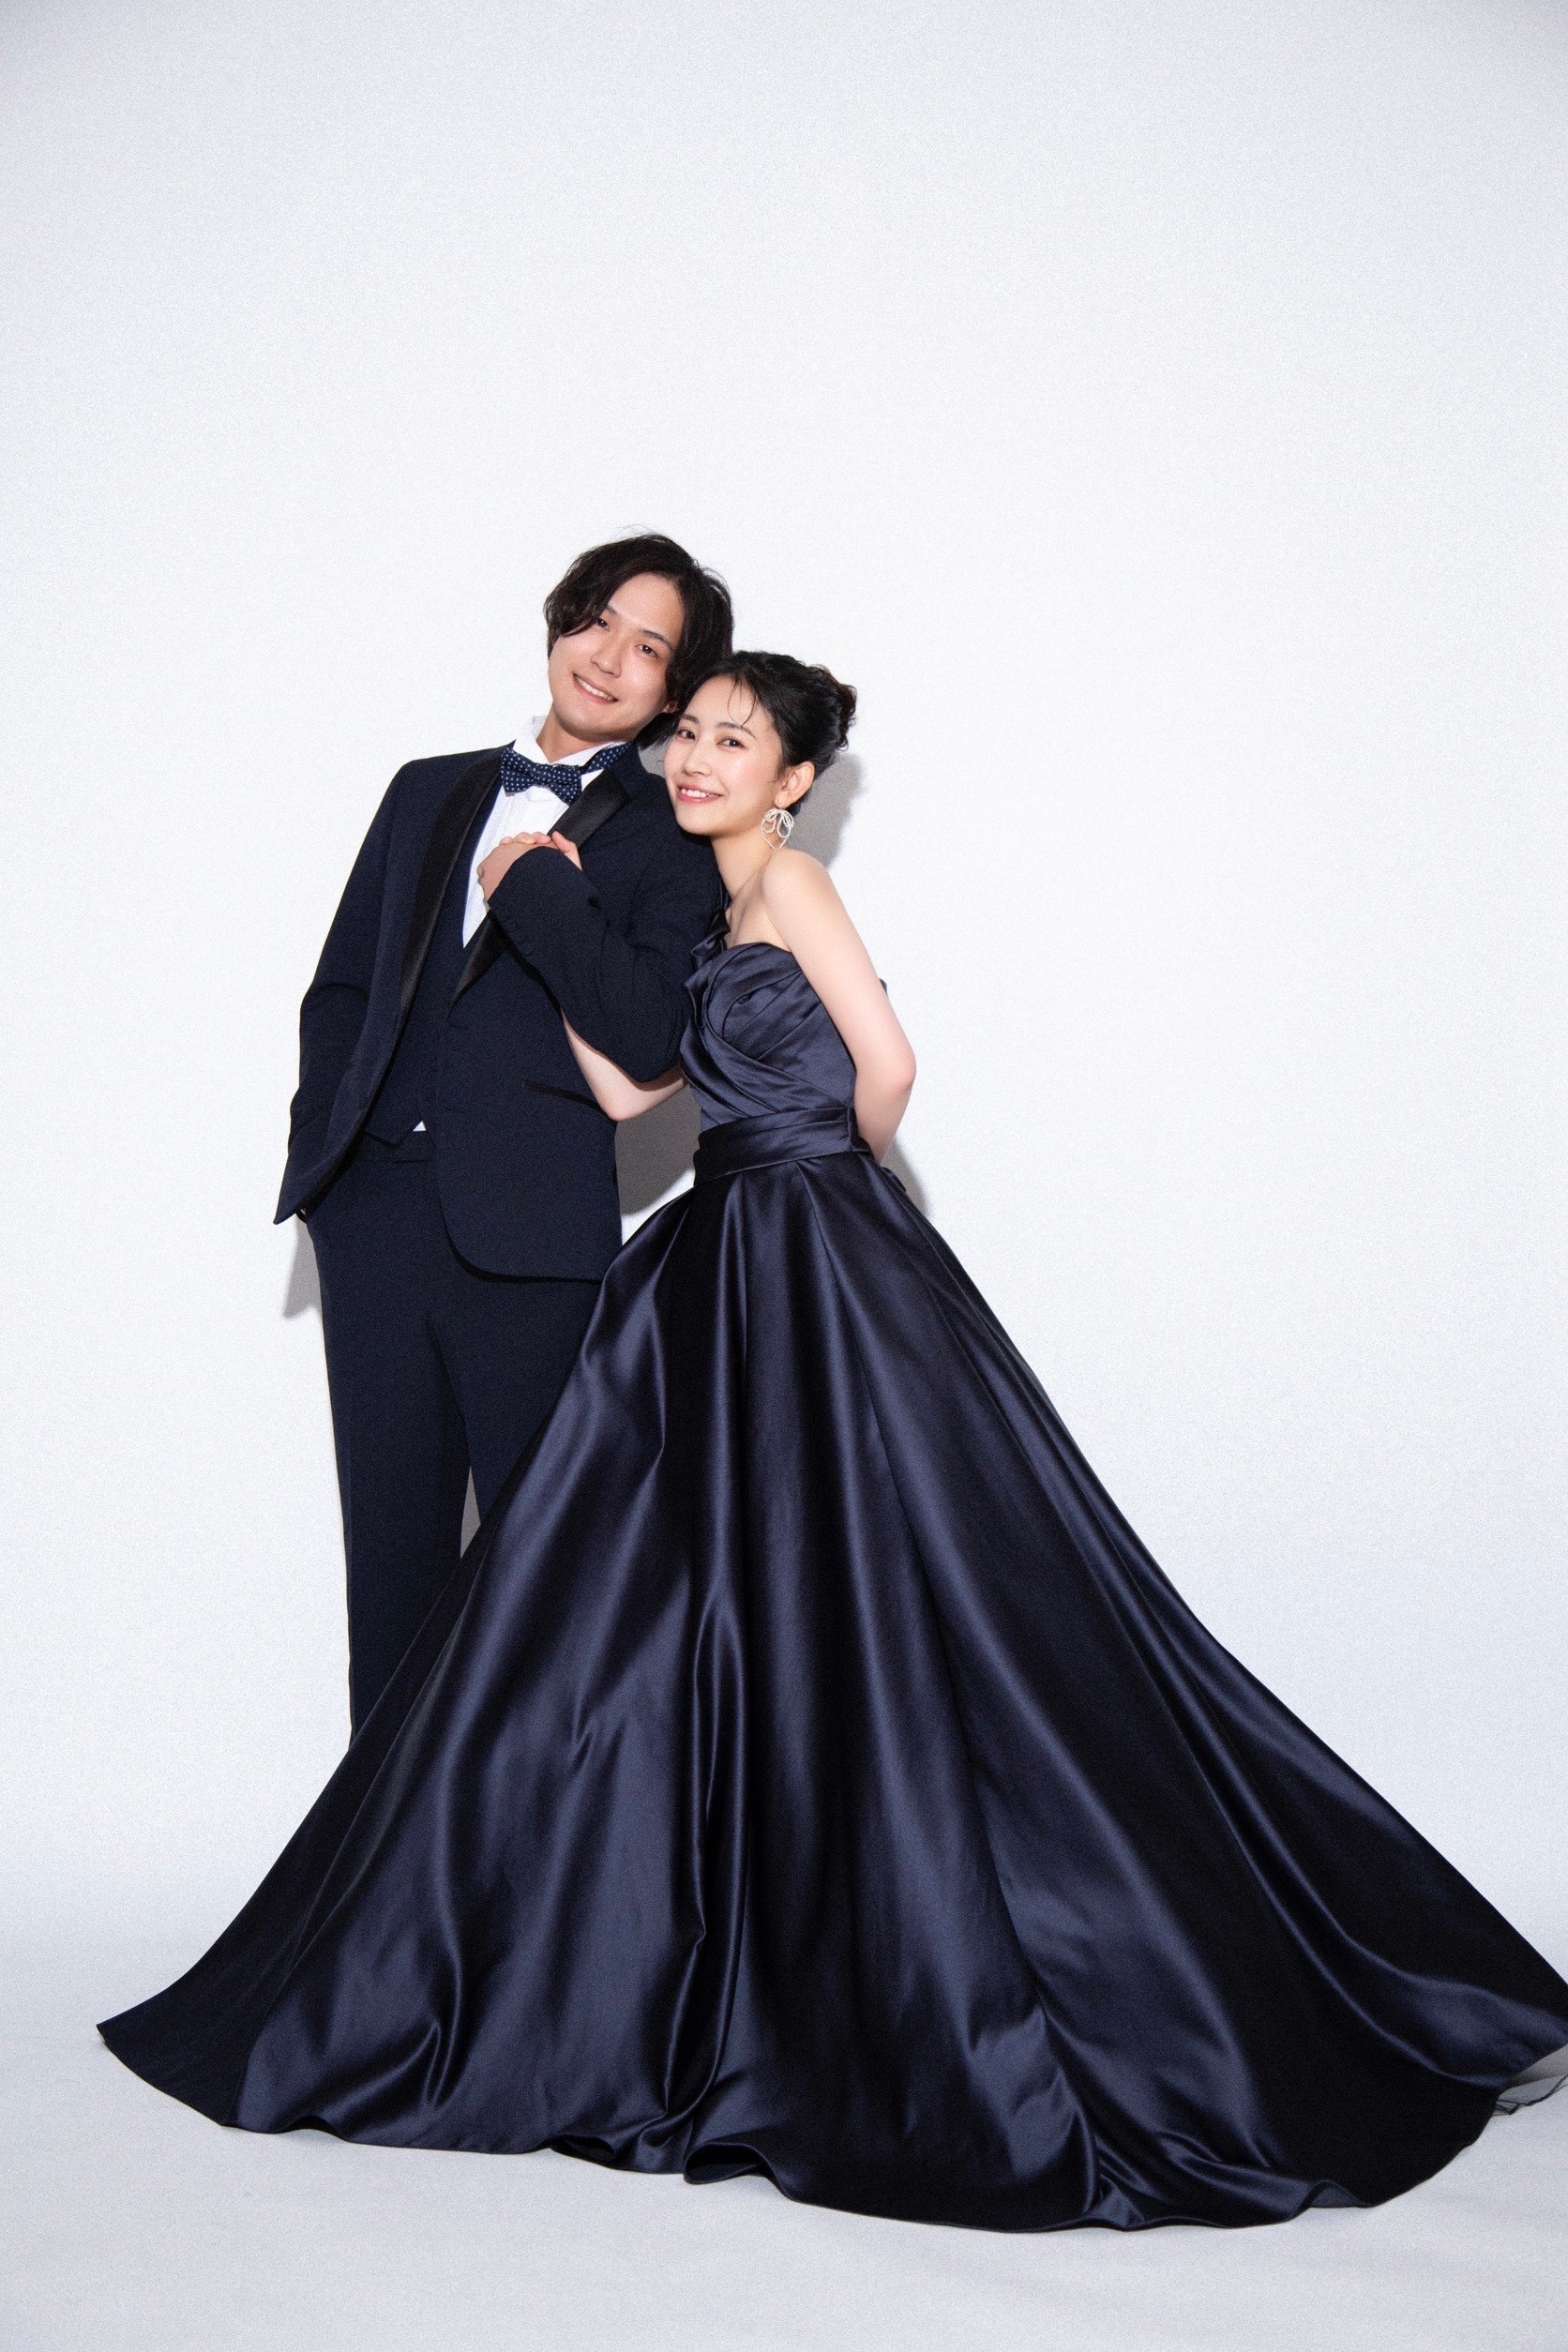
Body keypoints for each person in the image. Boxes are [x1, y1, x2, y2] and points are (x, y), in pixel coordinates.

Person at [103, 655, 1568, 2232]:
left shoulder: (792, 885)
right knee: (688, 1594)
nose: (696, 757)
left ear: (795, 778)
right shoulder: (696, 914)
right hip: (722, 1247)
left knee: (909, 1590)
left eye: (733, 740)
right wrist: (545, 908)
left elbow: (889, 1068)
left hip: (810, 1239)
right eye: (689, 734)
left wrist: (814, 1174)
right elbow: (626, 1090)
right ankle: (714, 1949)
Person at [277, 535, 731, 1726]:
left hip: (532, 1244)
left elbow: (647, 1033)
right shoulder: (424, 789)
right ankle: (384, 1843)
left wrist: (545, 890)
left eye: (650, 648)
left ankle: (534, 1844)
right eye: (598, 619)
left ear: (671, 695)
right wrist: (328, 1169)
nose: (609, 656)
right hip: (375, 1223)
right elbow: (341, 989)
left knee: (547, 1581)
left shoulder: (675, 834)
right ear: (560, 620)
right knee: (389, 1573)